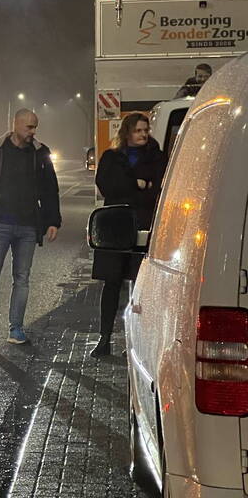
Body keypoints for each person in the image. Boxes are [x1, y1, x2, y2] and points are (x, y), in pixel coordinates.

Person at [0, 109, 61, 346]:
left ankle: (16, 329)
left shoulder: (40, 154)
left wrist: (52, 221)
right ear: (16, 124)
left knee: (22, 278)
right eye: (29, 127)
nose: (33, 132)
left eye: (35, 127)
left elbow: (51, 189)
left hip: (28, 226)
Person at [90, 113, 165, 357]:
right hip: (115, 227)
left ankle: (135, 342)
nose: (143, 134)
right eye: (138, 130)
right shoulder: (111, 157)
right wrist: (137, 183)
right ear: (127, 132)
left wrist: (135, 187)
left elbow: (157, 191)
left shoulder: (156, 157)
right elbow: (106, 186)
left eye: (146, 130)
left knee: (139, 286)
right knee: (111, 283)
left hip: (143, 226)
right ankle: (104, 338)